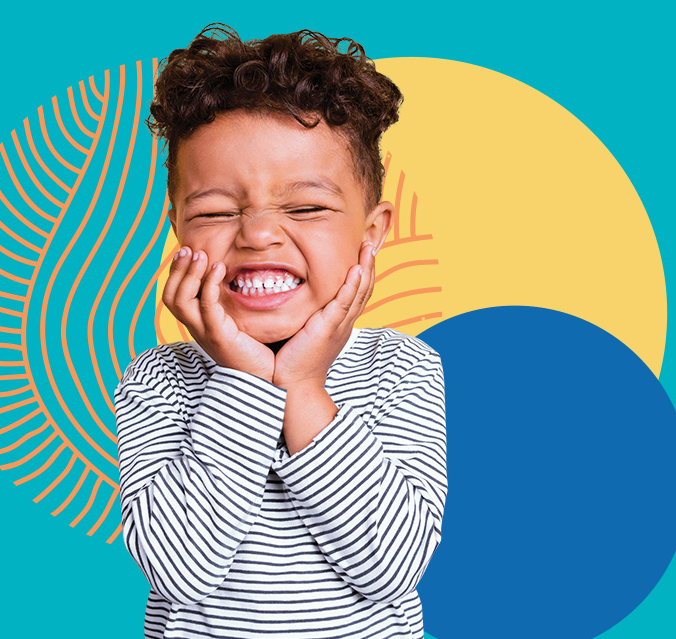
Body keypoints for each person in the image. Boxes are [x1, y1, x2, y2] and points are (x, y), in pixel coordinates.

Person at [115, 24, 448, 639]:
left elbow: (392, 567)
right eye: (215, 212)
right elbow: (177, 571)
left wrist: (301, 385)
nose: (258, 234)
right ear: (179, 230)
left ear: (371, 232)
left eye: (305, 207)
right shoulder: (158, 379)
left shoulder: (403, 369)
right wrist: (245, 379)